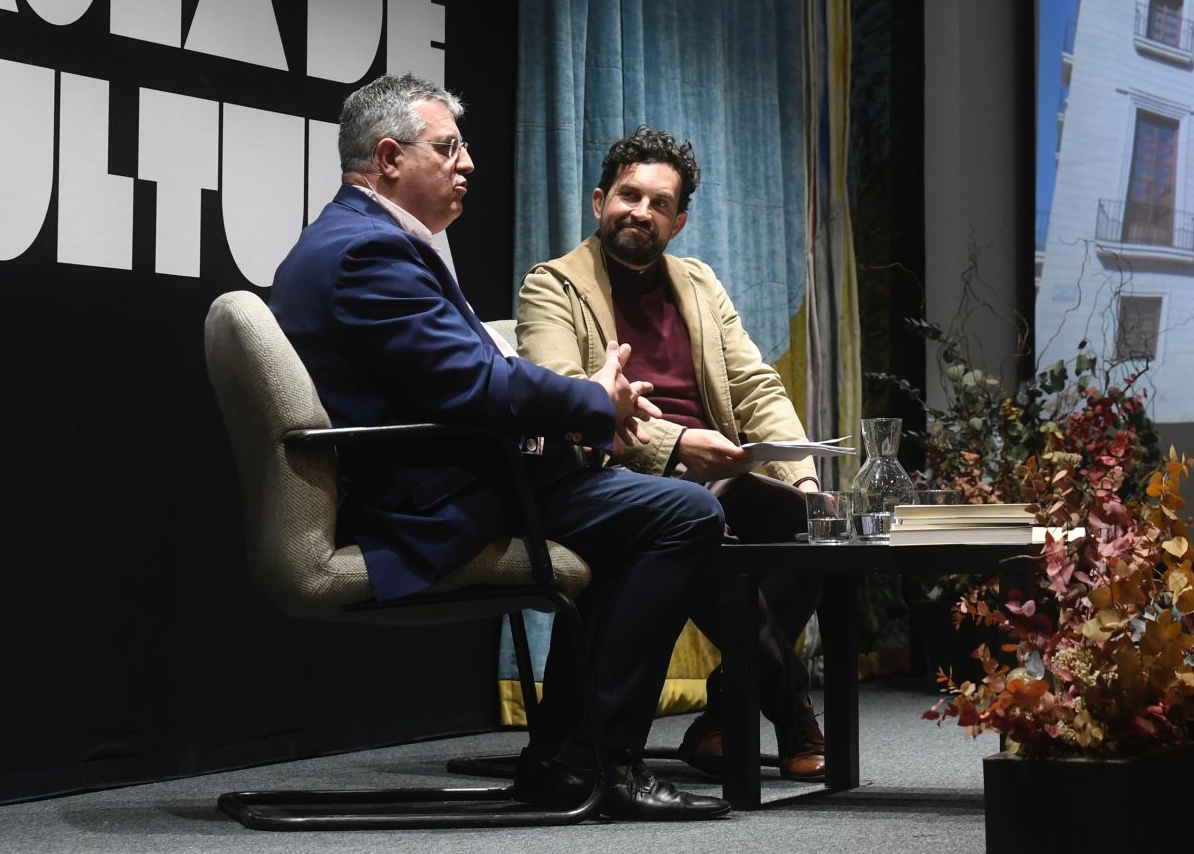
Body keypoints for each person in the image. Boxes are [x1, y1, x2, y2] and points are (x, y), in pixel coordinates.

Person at [269, 75, 729, 821]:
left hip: (449, 473)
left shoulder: (364, 240)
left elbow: (466, 379)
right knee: (684, 515)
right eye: (448, 146)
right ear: (388, 158)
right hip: (429, 500)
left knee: (652, 510)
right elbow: (482, 387)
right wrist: (595, 402)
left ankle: (564, 758)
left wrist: (584, 411)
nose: (469, 162)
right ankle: (596, 760)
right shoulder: (367, 255)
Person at [516, 125, 826, 781]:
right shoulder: (551, 286)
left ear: (678, 221)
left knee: (818, 519)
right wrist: (676, 444)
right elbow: (564, 398)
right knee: (694, 515)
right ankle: (786, 703)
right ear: (600, 199)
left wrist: (799, 473)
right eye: (629, 194)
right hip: (617, 477)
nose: (641, 211)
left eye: (660, 203)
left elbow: (755, 384)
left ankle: (728, 708)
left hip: (721, 473)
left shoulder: (699, 284)